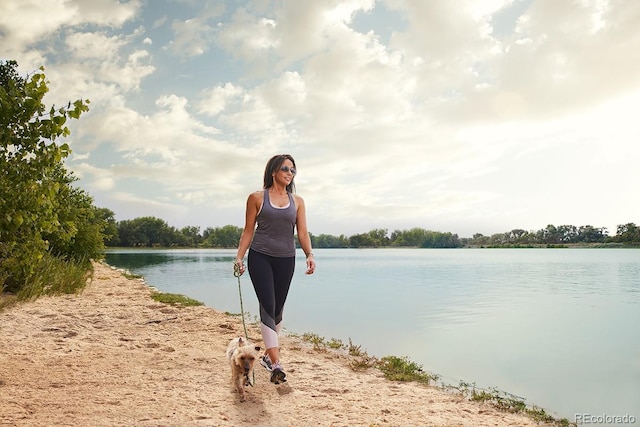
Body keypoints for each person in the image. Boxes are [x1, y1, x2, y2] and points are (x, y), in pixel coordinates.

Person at [234, 154, 316, 384]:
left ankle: (269, 357)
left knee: (278, 308)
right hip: (260, 257)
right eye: (285, 169)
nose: (289, 173)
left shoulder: (298, 201)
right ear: (273, 171)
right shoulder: (256, 198)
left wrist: (309, 254)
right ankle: (276, 363)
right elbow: (248, 230)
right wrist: (239, 257)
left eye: (293, 170)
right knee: (268, 306)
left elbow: (302, 232)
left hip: (286, 259)